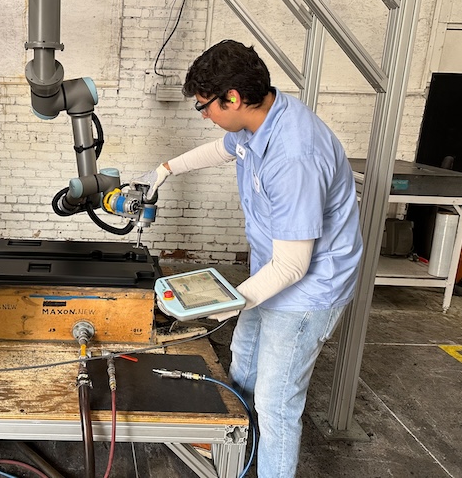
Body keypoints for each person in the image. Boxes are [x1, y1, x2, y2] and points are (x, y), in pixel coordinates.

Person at [135, 40, 363, 477]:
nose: (204, 115)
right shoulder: (259, 121)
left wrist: (219, 302)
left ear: (233, 98)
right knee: (244, 360)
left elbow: (294, 267)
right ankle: (234, 444)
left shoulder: (295, 155)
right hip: (269, 276)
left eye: (205, 106)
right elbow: (224, 149)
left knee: (277, 403)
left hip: (307, 291)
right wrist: (165, 169)